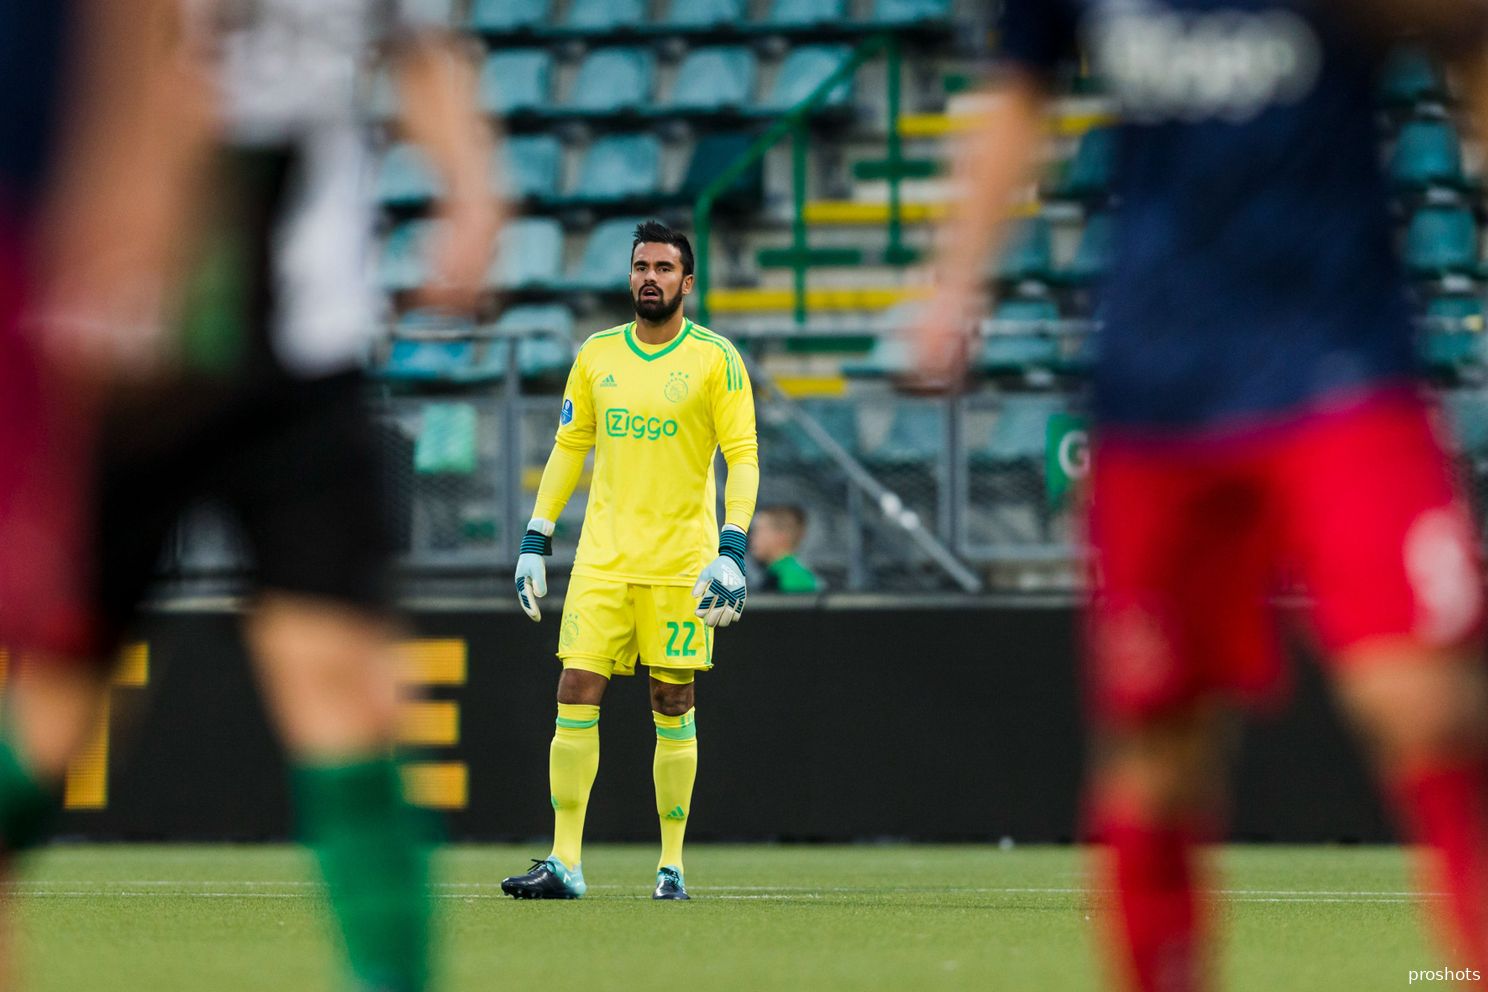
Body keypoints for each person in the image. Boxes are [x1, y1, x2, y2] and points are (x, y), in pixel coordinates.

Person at [910, 2, 1488, 989]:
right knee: (1157, 744)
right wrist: (954, 282)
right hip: (1155, 390)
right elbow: (1019, 89)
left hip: (1340, 365)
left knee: (1426, 697)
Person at [0, 4, 503, 991]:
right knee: (56, 709)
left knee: (348, 687)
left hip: (304, 347)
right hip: (125, 347)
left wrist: (473, 193)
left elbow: (423, 39)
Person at [501, 220, 758, 902]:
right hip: (603, 562)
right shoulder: (596, 355)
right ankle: (564, 862)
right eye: (641, 265)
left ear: (687, 281)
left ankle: (670, 864)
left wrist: (732, 549)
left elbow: (744, 457)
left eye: (665, 268)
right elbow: (569, 446)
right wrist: (536, 536)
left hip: (681, 565)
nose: (651, 276)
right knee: (574, 691)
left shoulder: (715, 359)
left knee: (672, 700)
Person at [751, 504, 821, 594]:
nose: (752, 537)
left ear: (780, 536)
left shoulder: (793, 578)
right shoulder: (777, 574)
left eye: (758, 530)